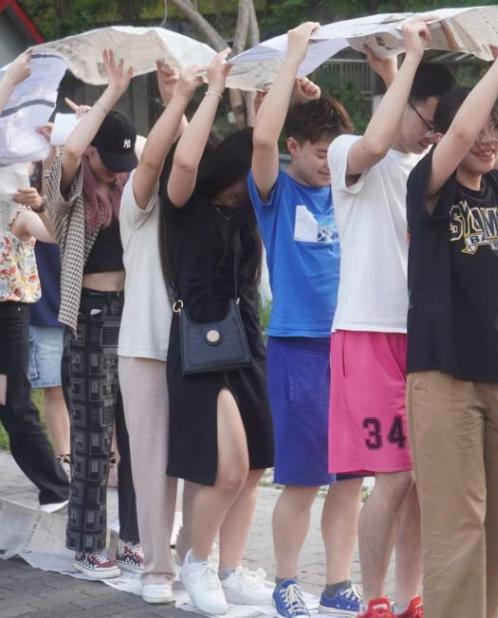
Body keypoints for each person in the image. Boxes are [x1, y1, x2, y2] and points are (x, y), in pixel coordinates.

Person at [404, 7, 498, 617]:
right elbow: (458, 139)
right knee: (459, 522)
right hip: (443, 374)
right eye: (477, 129)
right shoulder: (429, 186)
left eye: (495, 130)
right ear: (444, 135)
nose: (488, 140)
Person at [326, 18, 455, 618]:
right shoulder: (348, 154)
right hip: (368, 333)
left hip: (422, 335)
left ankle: (411, 599)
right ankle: (373, 598)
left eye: (440, 126)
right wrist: (406, 63)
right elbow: (377, 143)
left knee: (423, 479)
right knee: (395, 478)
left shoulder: (429, 167)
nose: (432, 133)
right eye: (428, 119)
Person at [249, 23, 363, 618]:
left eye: (335, 154)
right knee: (302, 478)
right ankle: (286, 580)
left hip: (353, 345)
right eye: (321, 153)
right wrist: (292, 60)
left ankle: (338, 583)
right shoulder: (276, 193)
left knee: (350, 477)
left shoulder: (348, 190)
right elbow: (261, 138)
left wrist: (320, 104)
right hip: (299, 347)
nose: (329, 163)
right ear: (294, 146)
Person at [161, 49, 275, 616]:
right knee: (226, 468)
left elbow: (267, 146)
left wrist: (272, 99)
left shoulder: (251, 211)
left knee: (253, 466)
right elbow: (184, 164)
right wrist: (211, 88)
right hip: (199, 342)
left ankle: (230, 569)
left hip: (247, 340)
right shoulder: (186, 205)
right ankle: (197, 563)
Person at [41, 49, 141, 579]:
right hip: (91, 317)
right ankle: (85, 543)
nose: (117, 174)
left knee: (137, 433)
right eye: (109, 163)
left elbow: (153, 152)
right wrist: (110, 97)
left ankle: (134, 538)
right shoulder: (69, 189)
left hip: (134, 312)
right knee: (93, 438)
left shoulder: (128, 185)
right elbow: (76, 151)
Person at [116, 60, 202, 605]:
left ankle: (196, 559)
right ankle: (156, 570)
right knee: (152, 467)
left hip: (197, 349)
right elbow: (155, 160)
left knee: (202, 461)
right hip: (145, 348)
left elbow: (194, 160)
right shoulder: (138, 201)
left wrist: (182, 102)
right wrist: (179, 100)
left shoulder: (195, 209)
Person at [0, 50, 70, 514]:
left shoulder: (16, 211)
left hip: (8, 307)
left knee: (14, 400)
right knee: (11, 401)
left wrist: (40, 203)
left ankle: (57, 487)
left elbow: (54, 235)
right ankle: (55, 486)